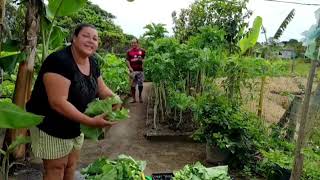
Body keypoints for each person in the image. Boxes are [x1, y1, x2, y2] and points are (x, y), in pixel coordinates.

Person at [26, 24, 118, 180]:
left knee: (70, 165)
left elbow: (102, 90)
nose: (91, 41)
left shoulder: (93, 62)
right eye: (86, 36)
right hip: (51, 123)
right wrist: (90, 121)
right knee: (56, 168)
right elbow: (58, 102)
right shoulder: (59, 61)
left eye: (95, 38)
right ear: (74, 38)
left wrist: (116, 100)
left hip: (75, 123)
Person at [126, 38, 146, 103]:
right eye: (132, 43)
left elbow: (145, 59)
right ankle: (134, 98)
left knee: (140, 84)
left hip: (140, 70)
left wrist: (142, 60)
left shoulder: (142, 50)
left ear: (137, 43)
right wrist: (129, 67)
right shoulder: (129, 51)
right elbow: (127, 60)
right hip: (133, 71)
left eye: (134, 43)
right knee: (132, 85)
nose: (133, 44)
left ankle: (140, 96)